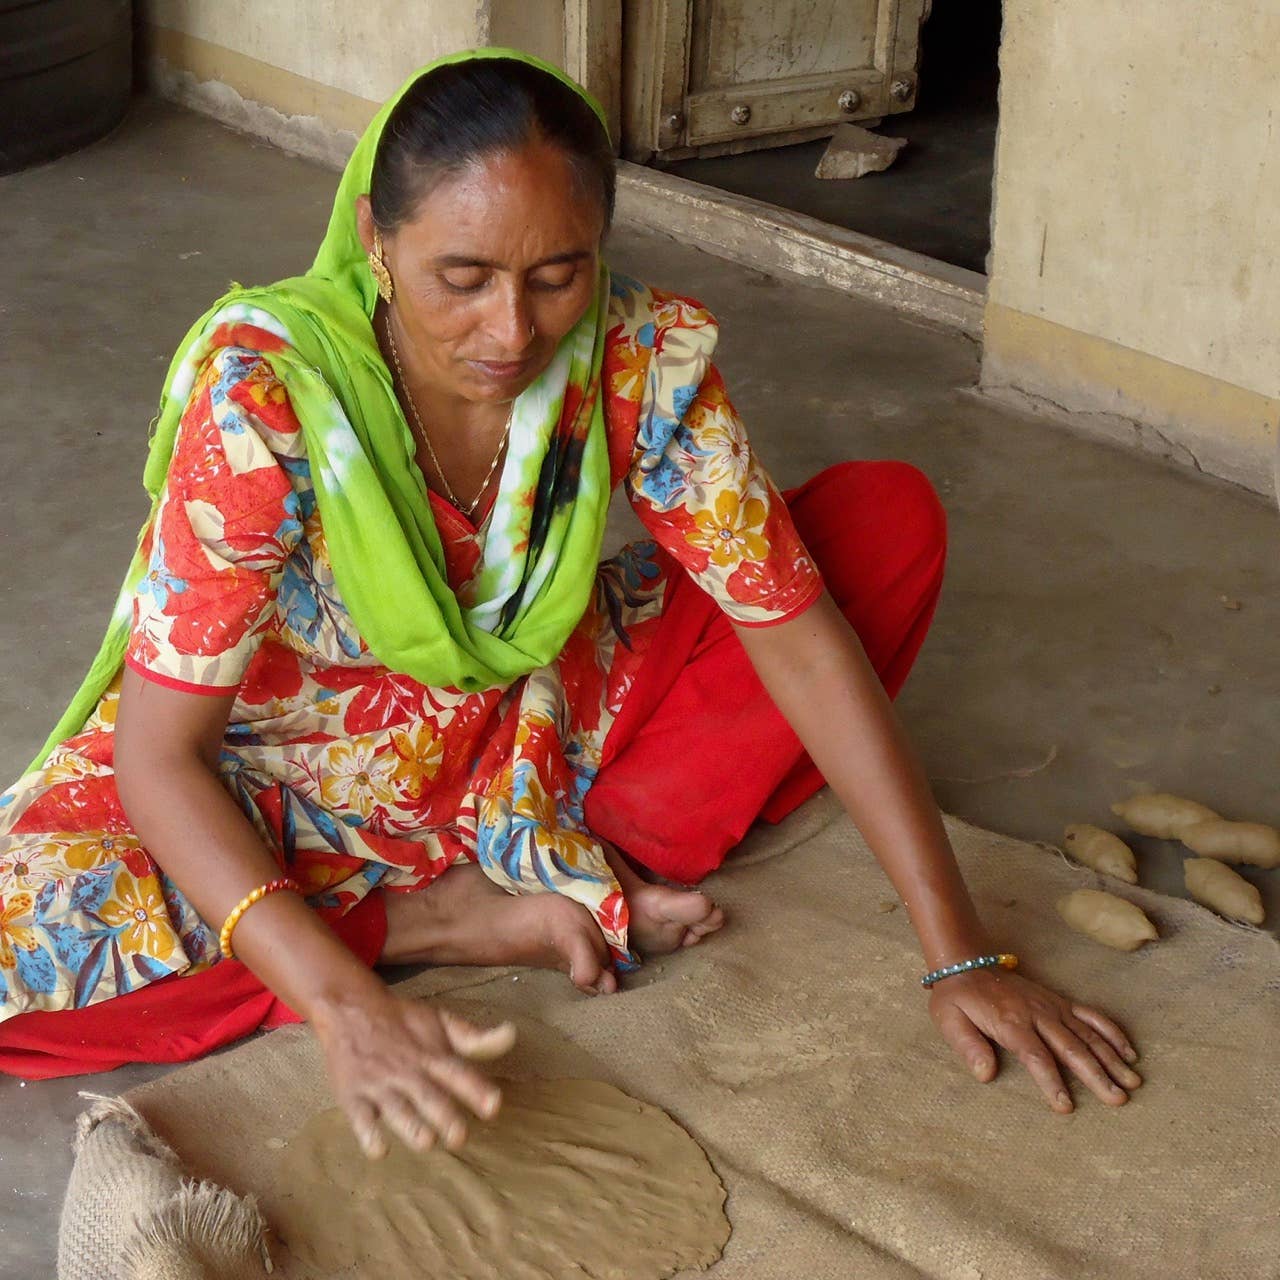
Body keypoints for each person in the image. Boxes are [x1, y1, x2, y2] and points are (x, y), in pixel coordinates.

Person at [0, 49, 1140, 1157]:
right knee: (29, 963)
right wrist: (345, 998)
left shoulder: (635, 355)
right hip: (278, 767)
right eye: (463, 278)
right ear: (375, 241)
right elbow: (160, 760)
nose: (510, 332)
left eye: (557, 274)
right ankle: (440, 917)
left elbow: (789, 637)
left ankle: (561, 862)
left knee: (877, 532)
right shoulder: (270, 399)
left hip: (530, 721)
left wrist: (959, 953)